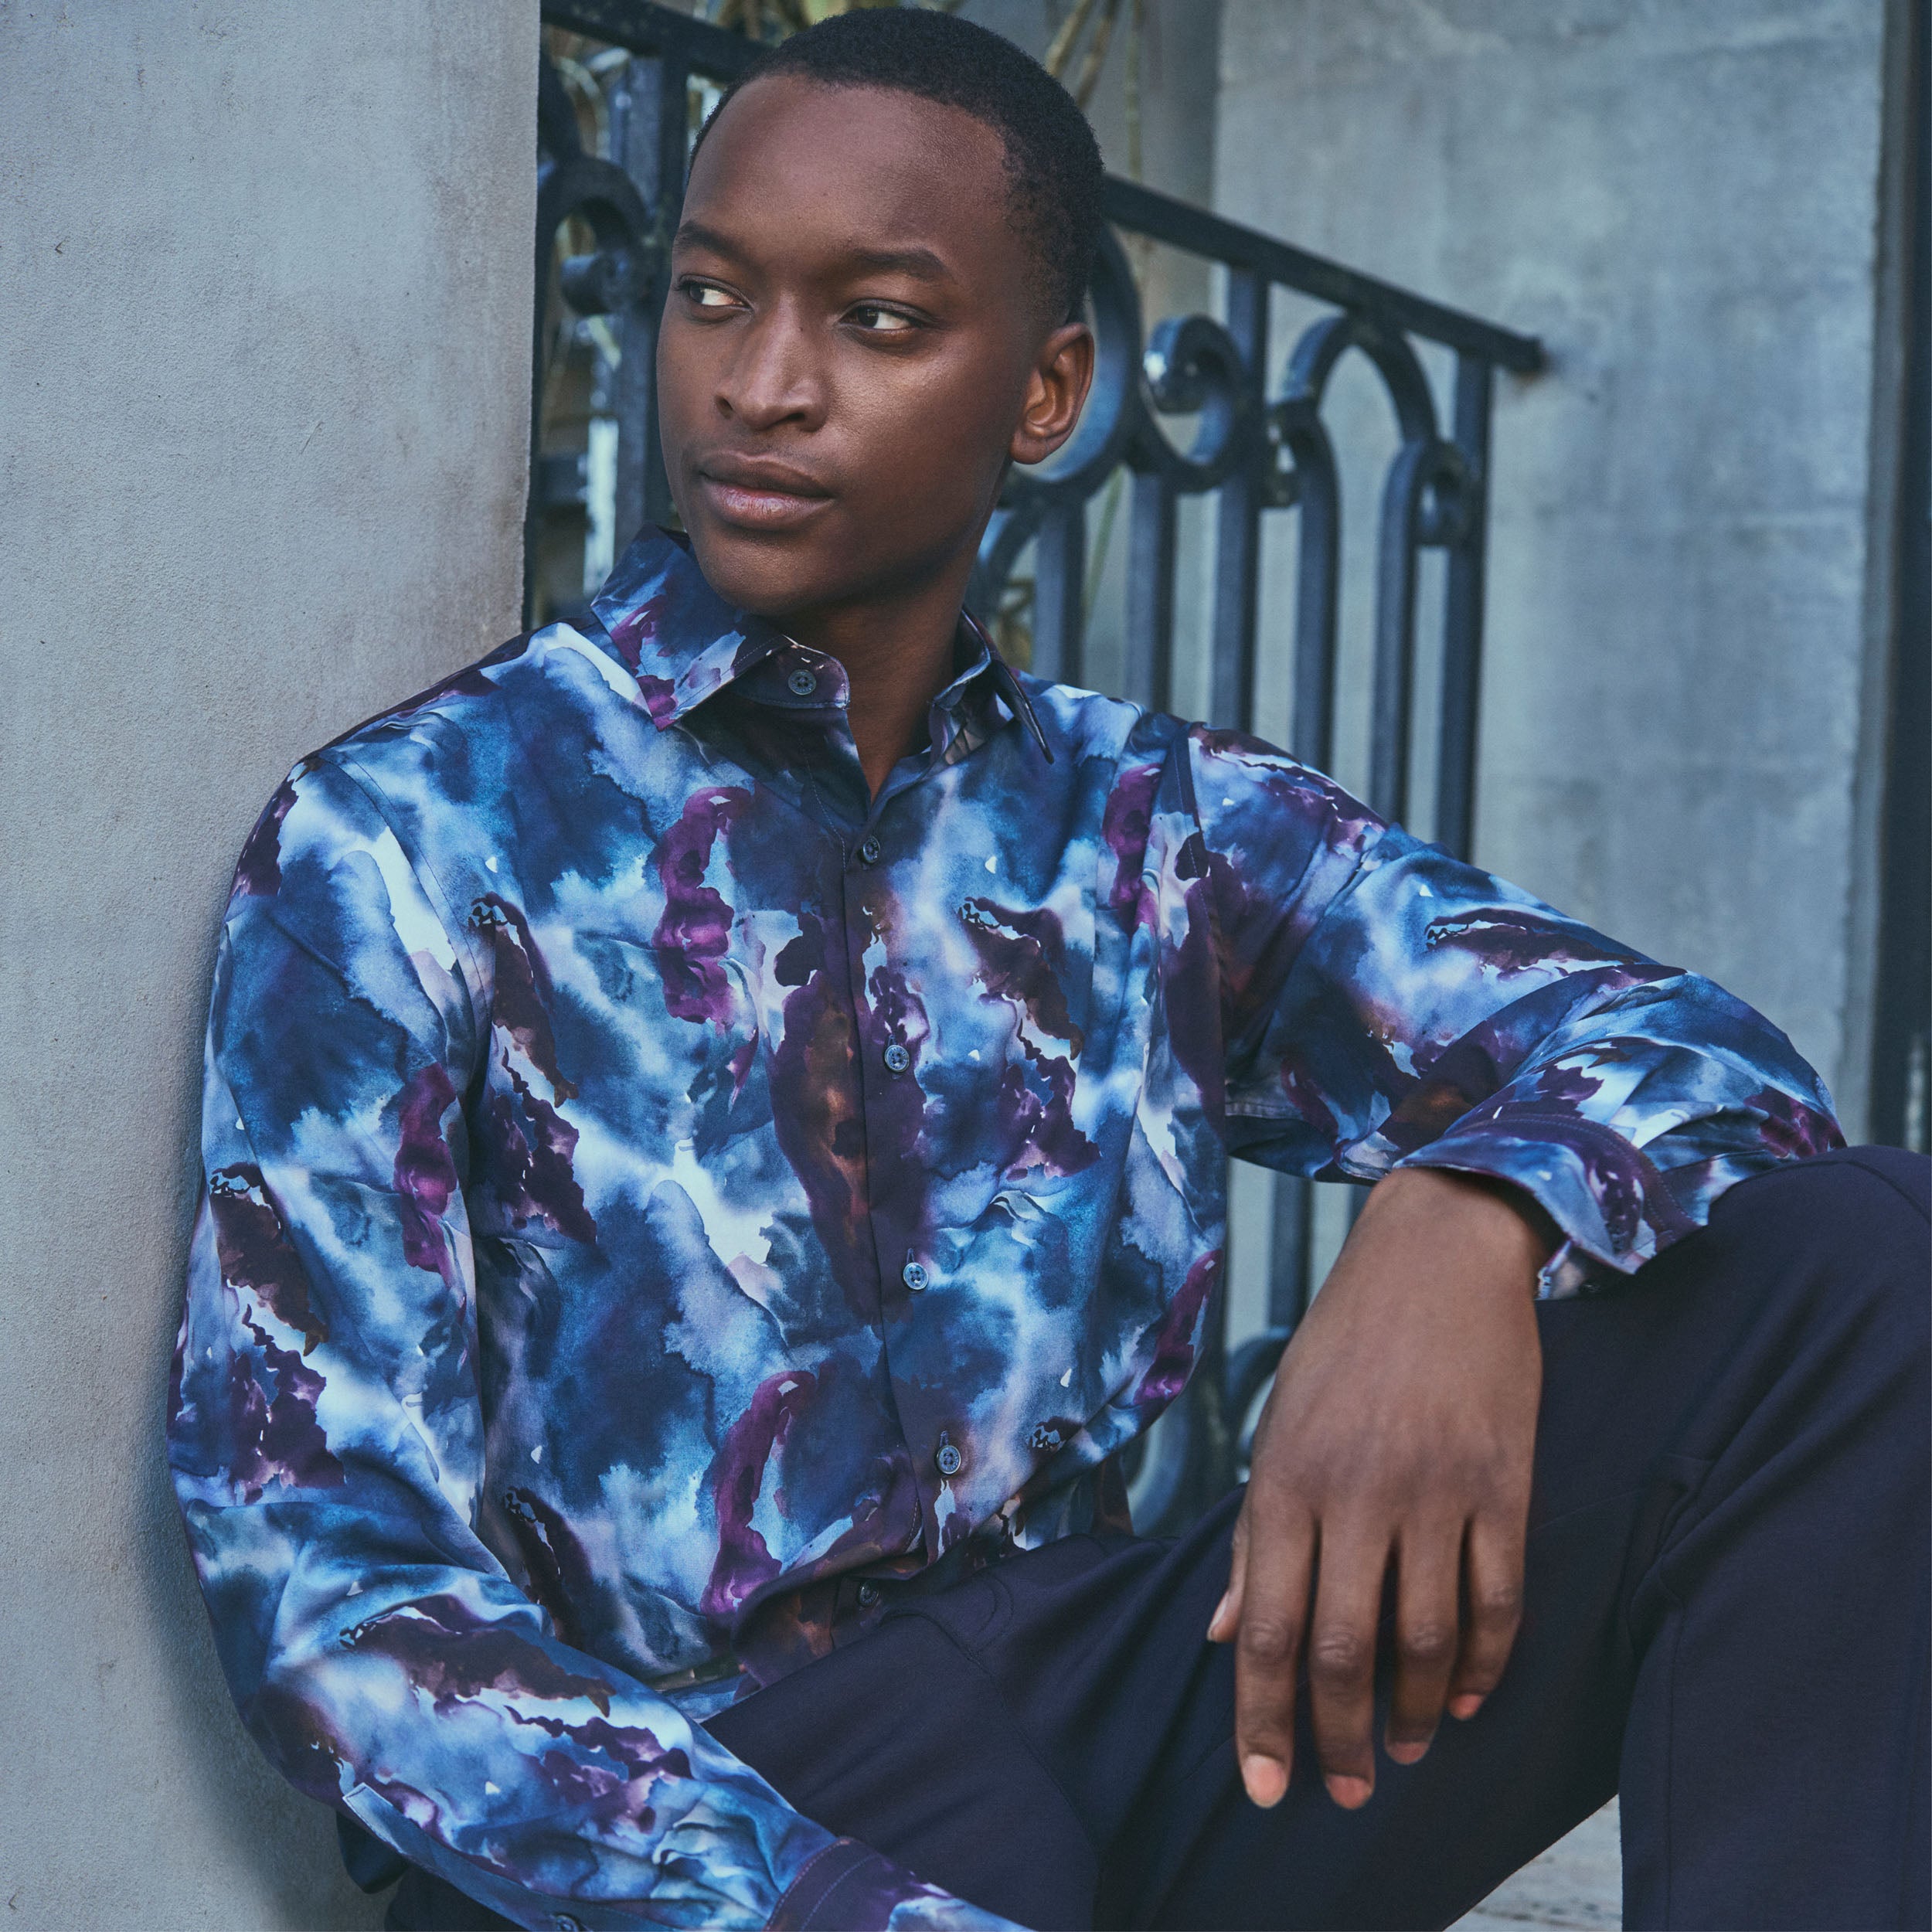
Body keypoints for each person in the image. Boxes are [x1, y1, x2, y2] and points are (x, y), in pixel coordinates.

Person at [167, 12, 1929, 1930]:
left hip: (1087, 1711)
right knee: (965, 1813)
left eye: (875, 319)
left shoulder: (1146, 823)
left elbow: (1698, 1058)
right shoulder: (407, 835)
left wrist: (1468, 1211)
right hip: (695, 1827)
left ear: (1045, 388)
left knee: (1857, 1265)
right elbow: (323, 1582)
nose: (761, 385)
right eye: (712, 296)